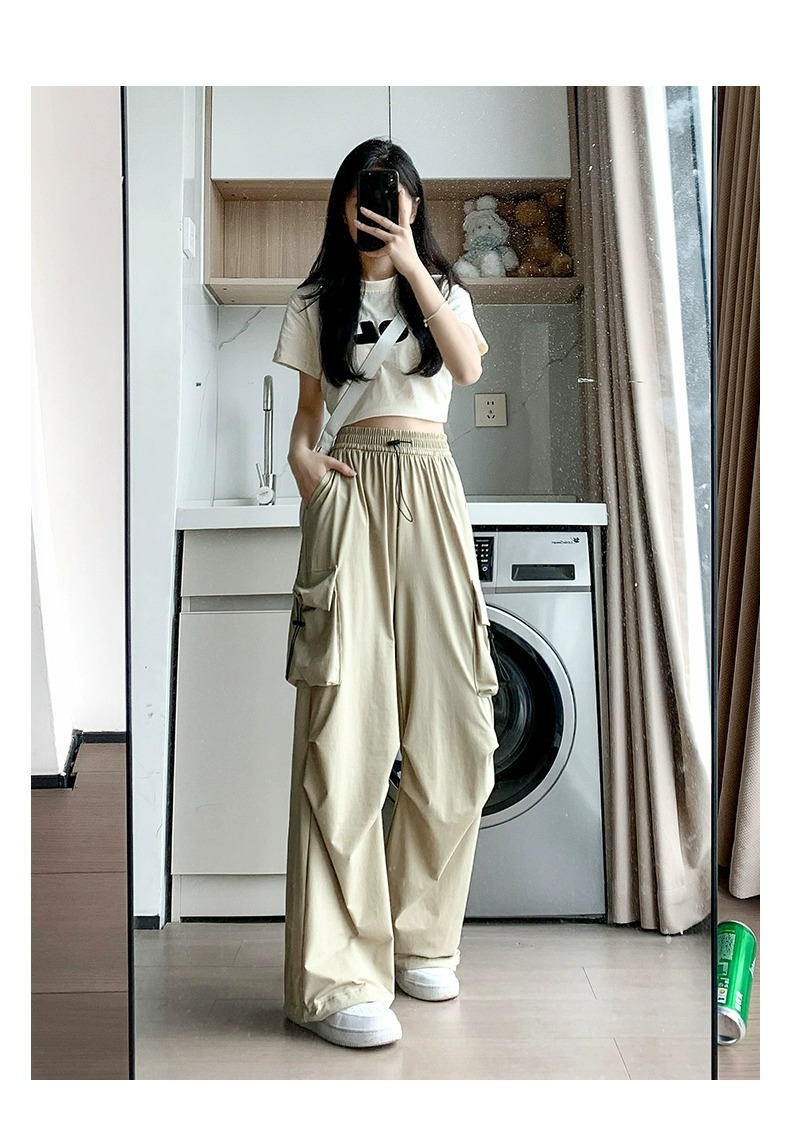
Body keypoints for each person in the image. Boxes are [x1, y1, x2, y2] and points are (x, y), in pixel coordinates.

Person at [273, 138, 500, 1050]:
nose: (379, 205)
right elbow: (306, 420)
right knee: (345, 732)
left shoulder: (443, 294)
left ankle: (419, 935)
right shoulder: (312, 303)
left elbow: (468, 369)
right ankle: (337, 979)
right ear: (343, 204)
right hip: (353, 488)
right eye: (365, 193)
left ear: (414, 205)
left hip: (433, 487)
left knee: (459, 728)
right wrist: (303, 464)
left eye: (395, 193)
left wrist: (410, 266)